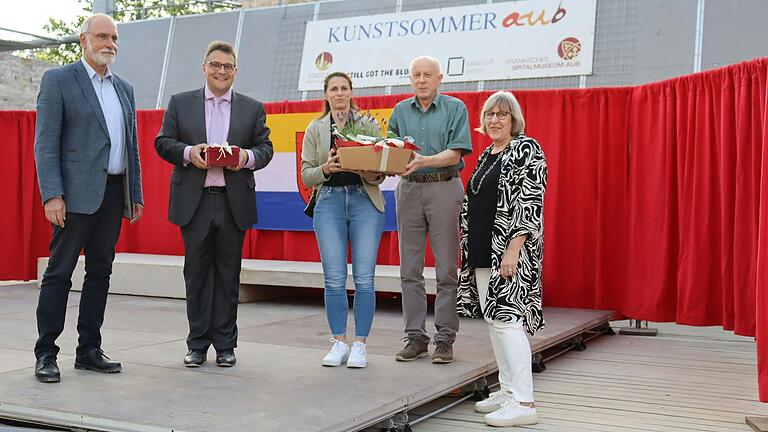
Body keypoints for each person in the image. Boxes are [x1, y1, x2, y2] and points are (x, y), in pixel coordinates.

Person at [33, 13, 144, 383]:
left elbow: (131, 146)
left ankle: (89, 350)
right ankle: (46, 353)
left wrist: (135, 194)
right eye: (102, 36)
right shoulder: (59, 80)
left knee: (100, 273)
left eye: (114, 38)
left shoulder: (124, 88)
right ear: (84, 40)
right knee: (59, 273)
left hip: (113, 195)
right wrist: (52, 195)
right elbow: (45, 144)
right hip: (73, 197)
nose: (109, 44)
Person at [154, 41, 273, 368]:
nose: (222, 71)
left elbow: (266, 148)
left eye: (228, 66)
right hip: (195, 202)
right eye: (216, 65)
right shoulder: (181, 103)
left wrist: (245, 158)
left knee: (227, 275)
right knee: (196, 276)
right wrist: (189, 153)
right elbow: (163, 143)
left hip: (233, 202)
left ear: (235, 71)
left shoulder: (252, 107)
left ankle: (225, 344)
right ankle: (196, 344)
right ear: (204, 67)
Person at [457, 91, 547, 427]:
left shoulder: (527, 149)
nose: (495, 120)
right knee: (496, 324)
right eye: (490, 114)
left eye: (502, 115)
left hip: (509, 252)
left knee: (509, 324)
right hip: (483, 250)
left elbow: (530, 201)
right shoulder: (487, 155)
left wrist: (513, 249)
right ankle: (508, 391)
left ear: (514, 120)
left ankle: (524, 401)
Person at [388, 56, 472, 364]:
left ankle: (445, 338)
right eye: (416, 75)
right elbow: (392, 152)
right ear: (410, 79)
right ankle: (415, 338)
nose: (421, 80)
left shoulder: (455, 108)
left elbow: (456, 152)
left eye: (427, 75)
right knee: (409, 269)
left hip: (444, 187)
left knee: (447, 268)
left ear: (439, 78)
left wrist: (424, 160)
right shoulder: (399, 111)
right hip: (409, 190)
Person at [300, 72, 386, 368]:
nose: (339, 93)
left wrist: (366, 169)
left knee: (364, 278)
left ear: (351, 92)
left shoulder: (369, 124)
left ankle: (360, 344)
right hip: (329, 203)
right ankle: (338, 341)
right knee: (334, 279)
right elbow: (306, 174)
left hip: (364, 201)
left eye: (344, 88)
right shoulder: (315, 128)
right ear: (326, 94)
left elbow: (381, 171)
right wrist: (327, 167)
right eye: (333, 89)